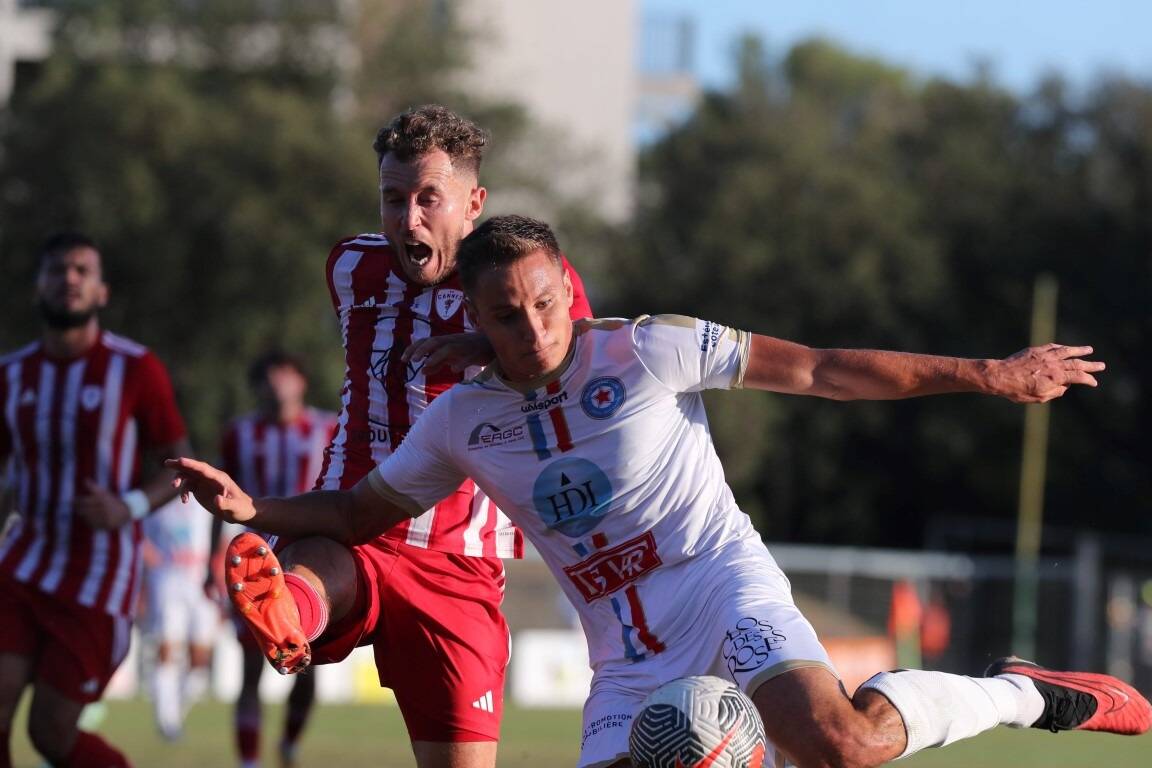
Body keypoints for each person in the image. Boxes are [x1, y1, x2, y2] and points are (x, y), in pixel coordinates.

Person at [171, 214, 1150, 768]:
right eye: (507, 315)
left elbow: (820, 371)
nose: (535, 326)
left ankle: (1027, 694)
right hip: (627, 658)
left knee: (843, 745)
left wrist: (992, 374)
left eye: (548, 302)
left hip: (722, 584)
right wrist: (257, 510)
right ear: (474, 319)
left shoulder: (648, 349)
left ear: (570, 289)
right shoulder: (463, 422)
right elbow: (357, 516)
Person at [229, 105, 592, 768]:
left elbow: (577, 357)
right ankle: (290, 609)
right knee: (318, 566)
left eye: (430, 198)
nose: (409, 219)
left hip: (459, 558)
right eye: (393, 200)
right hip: (355, 517)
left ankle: (295, 607)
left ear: (473, 203)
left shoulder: (533, 285)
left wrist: (486, 341)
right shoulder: (350, 268)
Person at [0, 233, 190, 768]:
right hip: (22, 565)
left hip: (98, 576)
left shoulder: (134, 368)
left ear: (101, 291)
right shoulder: (12, 375)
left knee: (51, 734)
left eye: (83, 269)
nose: (70, 279)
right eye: (58, 269)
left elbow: (180, 467)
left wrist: (126, 506)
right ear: (39, 285)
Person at [210, 351, 337, 768]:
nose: (278, 382)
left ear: (301, 380)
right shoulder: (239, 434)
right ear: (258, 386)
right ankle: (249, 762)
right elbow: (219, 498)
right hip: (254, 567)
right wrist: (211, 560)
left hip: (310, 563)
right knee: (250, 669)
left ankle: (288, 745)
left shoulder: (328, 428)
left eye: (286, 373)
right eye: (269, 376)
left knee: (309, 672)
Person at [141, 494, 219, 741]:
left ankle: (175, 712)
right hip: (168, 579)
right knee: (167, 650)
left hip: (201, 582)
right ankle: (167, 720)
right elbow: (141, 538)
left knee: (199, 662)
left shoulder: (209, 500)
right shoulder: (160, 501)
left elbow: (224, 539)